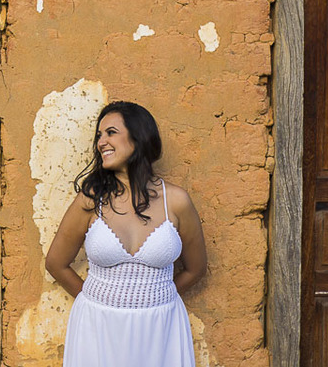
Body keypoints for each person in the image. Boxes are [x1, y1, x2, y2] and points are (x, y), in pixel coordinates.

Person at [45, 101, 207, 366]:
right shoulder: (91, 200)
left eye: (111, 132)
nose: (101, 142)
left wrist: (157, 297)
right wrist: (98, 302)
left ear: (138, 137)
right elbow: (55, 263)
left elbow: (196, 268)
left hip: (160, 329)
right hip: (98, 329)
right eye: (99, 135)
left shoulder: (176, 201)